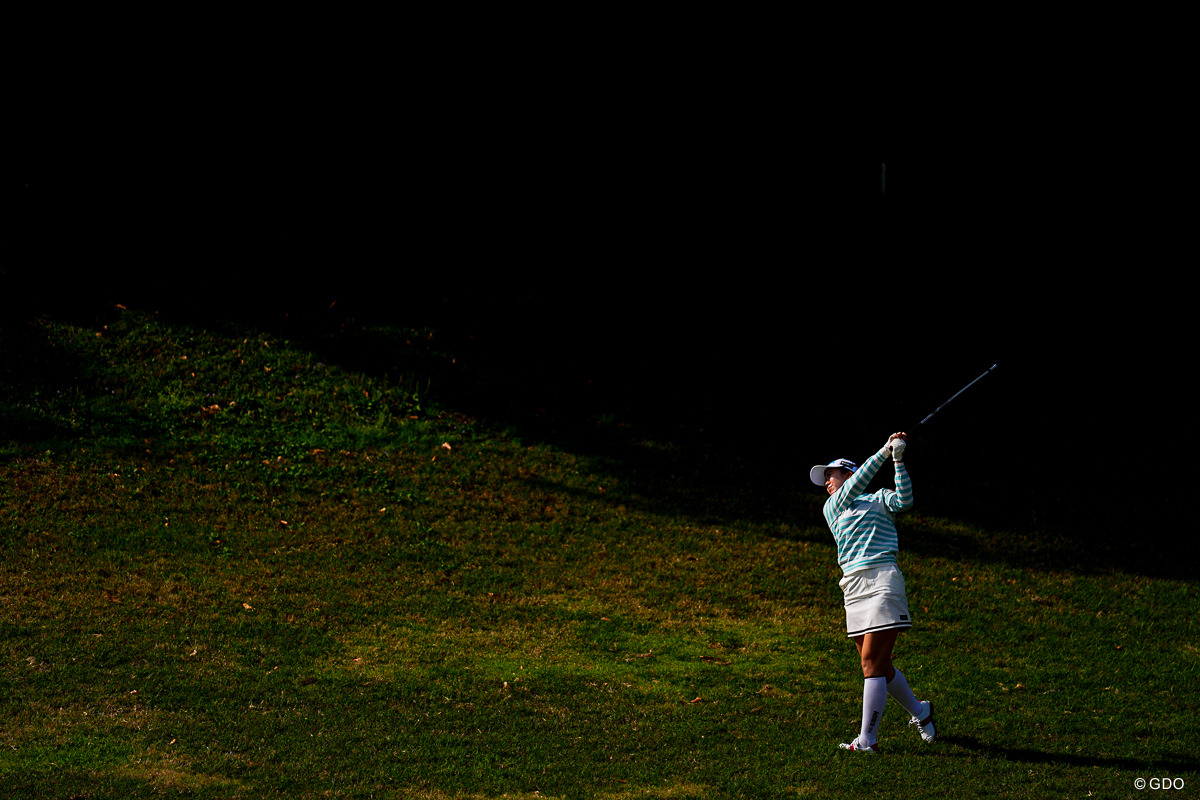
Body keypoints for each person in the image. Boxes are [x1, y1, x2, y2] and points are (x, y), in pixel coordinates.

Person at [809, 432, 936, 754]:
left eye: (831, 475)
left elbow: (904, 500)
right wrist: (883, 450)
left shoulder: (879, 498)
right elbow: (857, 483)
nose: (827, 482)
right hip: (852, 586)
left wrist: (896, 460)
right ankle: (921, 711)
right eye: (825, 478)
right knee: (879, 663)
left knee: (871, 664)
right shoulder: (832, 506)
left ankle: (867, 740)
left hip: (882, 580)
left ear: (848, 473)